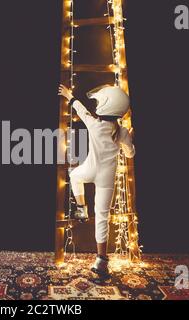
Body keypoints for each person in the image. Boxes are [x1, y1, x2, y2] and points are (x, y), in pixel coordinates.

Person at [58, 84, 136, 276]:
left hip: (90, 170)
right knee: (102, 217)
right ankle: (101, 260)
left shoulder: (95, 125)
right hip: (107, 179)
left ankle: (81, 209)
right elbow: (130, 153)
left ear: (107, 106)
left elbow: (81, 110)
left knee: (74, 176)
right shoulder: (122, 132)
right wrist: (130, 138)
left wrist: (69, 96)